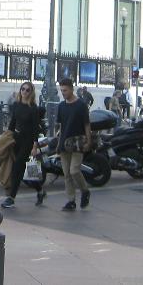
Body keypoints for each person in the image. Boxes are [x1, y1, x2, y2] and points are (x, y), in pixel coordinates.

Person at [0, 82, 45, 209]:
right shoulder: (16, 105)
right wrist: (6, 138)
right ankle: (40, 190)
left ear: (31, 92)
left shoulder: (33, 108)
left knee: (17, 168)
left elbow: (36, 129)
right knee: (29, 172)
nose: (24, 92)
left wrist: (35, 146)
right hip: (16, 140)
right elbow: (12, 123)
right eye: (23, 89)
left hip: (28, 141)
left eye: (27, 90)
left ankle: (11, 198)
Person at [56, 77, 92, 211]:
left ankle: (85, 190)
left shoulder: (81, 105)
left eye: (65, 90)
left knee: (74, 170)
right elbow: (61, 126)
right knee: (66, 174)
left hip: (78, 143)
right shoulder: (61, 106)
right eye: (61, 90)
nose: (63, 93)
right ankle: (71, 201)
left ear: (71, 89)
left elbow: (87, 124)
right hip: (64, 143)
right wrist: (58, 144)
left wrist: (89, 141)